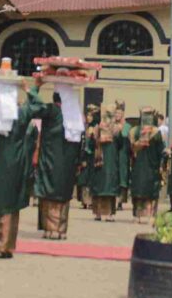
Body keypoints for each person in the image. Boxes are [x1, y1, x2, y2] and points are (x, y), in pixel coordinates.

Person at [0, 81, 47, 258]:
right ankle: (5, 245)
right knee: (7, 203)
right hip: (12, 169)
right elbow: (40, 106)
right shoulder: (20, 115)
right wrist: (29, 89)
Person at [33, 88, 83, 240]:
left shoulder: (52, 110)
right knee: (64, 193)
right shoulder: (74, 114)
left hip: (51, 159)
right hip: (68, 163)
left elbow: (35, 108)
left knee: (49, 191)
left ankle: (50, 229)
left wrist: (35, 88)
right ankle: (61, 229)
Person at [129, 108, 165, 224]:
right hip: (146, 166)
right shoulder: (154, 132)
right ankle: (147, 215)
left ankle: (139, 215)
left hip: (143, 166)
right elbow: (161, 150)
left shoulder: (135, 131)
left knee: (143, 191)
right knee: (146, 191)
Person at [87, 104, 122, 221]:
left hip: (99, 162)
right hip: (111, 162)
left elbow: (91, 145)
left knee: (99, 187)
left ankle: (98, 214)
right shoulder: (116, 129)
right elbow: (121, 145)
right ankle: (109, 214)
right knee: (109, 187)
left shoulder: (97, 128)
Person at [75, 105, 97, 209]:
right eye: (88, 115)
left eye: (91, 116)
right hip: (84, 156)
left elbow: (94, 144)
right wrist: (81, 158)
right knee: (83, 180)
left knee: (91, 179)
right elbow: (80, 144)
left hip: (92, 157)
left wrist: (92, 136)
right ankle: (84, 201)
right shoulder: (83, 128)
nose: (89, 118)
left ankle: (91, 201)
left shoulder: (95, 128)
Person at [115, 102, 131, 211]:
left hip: (123, 155)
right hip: (114, 155)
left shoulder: (127, 126)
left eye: (119, 113)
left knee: (122, 177)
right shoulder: (112, 125)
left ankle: (120, 201)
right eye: (116, 113)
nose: (117, 115)